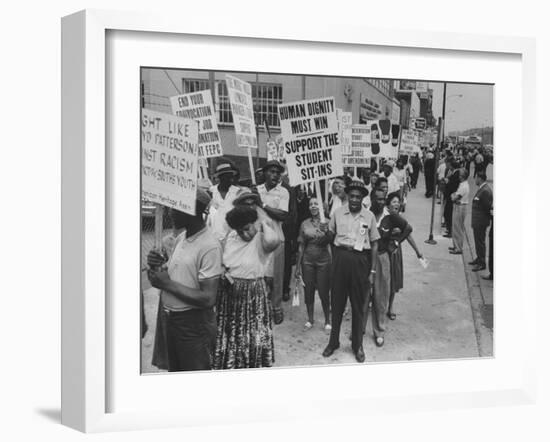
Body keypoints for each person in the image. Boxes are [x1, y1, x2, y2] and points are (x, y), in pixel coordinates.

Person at [148, 190, 222, 372]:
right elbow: (178, 273)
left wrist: (166, 284)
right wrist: (157, 265)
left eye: (176, 208)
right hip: (172, 320)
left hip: (193, 325)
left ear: (192, 210)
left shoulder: (210, 246)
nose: (171, 213)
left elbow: (208, 298)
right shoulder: (182, 237)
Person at [213, 205, 280, 369]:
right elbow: (224, 259)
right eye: (239, 230)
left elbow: (274, 241)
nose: (244, 234)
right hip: (230, 293)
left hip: (253, 294)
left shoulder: (261, 238)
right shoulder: (231, 237)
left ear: (254, 223)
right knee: (232, 334)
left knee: (251, 333)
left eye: (247, 228)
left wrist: (262, 221)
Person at [322, 181, 379, 363]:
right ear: (348, 197)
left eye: (358, 196)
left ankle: (357, 345)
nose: (354, 199)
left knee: (358, 305)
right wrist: (326, 231)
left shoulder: (369, 216)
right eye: (352, 196)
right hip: (340, 258)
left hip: (360, 260)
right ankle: (333, 342)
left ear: (363, 198)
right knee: (337, 303)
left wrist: (372, 270)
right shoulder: (337, 213)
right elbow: (330, 236)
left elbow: (375, 244)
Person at [366, 189, 413, 345]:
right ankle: (359, 329)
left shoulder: (390, 216)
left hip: (382, 256)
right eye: (377, 199)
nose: (380, 202)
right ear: (371, 199)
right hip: (365, 258)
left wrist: (396, 242)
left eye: (382, 199)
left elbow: (408, 228)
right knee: (363, 295)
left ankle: (379, 330)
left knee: (381, 295)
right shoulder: (365, 214)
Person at [255, 160, 289, 324]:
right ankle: (259, 307)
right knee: (259, 274)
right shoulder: (257, 190)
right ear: (265, 173)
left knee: (276, 276)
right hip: (258, 238)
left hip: (276, 238)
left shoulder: (283, 192)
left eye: (278, 172)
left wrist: (261, 203)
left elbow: (282, 214)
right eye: (272, 172)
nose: (275, 175)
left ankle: (276, 308)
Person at [385, 192, 423, 321]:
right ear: (388, 204)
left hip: (395, 253)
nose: (397, 204)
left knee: (393, 281)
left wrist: (418, 252)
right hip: (383, 251)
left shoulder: (399, 219)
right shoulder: (384, 217)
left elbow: (408, 234)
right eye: (394, 201)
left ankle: (390, 307)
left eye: (398, 202)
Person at [295, 197, 332, 331]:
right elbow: (301, 246)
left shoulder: (328, 222)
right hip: (307, 260)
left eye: (316, 204)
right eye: (311, 204)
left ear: (321, 207)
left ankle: (328, 320)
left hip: (324, 260)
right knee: (308, 290)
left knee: (323, 290)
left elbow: (332, 241)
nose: (313, 206)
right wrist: (298, 266)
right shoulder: (304, 224)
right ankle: (310, 319)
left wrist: (326, 230)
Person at [208, 161, 249, 242]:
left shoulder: (238, 192)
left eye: (231, 176)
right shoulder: (211, 191)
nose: (231, 179)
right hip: (214, 235)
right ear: (220, 177)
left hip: (232, 236)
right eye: (227, 176)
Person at [469, 172, 493, 272]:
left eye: (476, 178)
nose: (475, 180)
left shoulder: (485, 191)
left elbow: (487, 208)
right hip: (477, 221)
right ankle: (479, 258)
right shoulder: (482, 189)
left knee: (480, 242)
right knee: (477, 241)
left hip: (481, 221)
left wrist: (483, 220)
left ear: (480, 178)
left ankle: (482, 262)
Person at [449, 168, 470, 255]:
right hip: (459, 205)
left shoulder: (464, 186)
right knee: (455, 227)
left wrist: (452, 195)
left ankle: (458, 248)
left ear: (462, 176)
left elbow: (454, 197)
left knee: (458, 228)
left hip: (460, 206)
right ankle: (456, 245)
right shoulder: (462, 184)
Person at [443, 159, 460, 238]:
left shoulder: (456, 174)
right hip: (450, 195)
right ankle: (448, 228)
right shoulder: (454, 173)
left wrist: (447, 182)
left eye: (450, 166)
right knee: (447, 212)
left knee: (448, 213)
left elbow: (453, 186)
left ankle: (450, 230)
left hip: (451, 196)